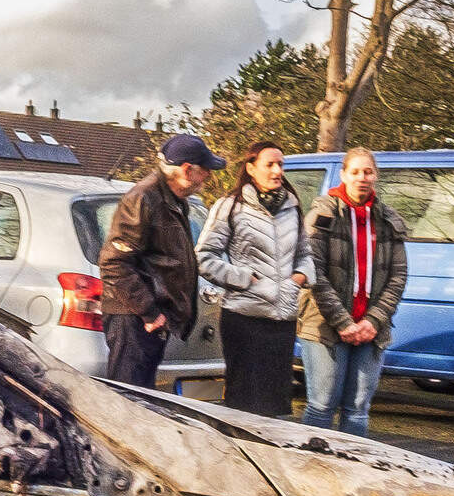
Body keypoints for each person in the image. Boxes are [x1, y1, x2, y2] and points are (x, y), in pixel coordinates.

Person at [302, 148, 407, 434]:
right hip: (325, 325)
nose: (363, 177)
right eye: (356, 172)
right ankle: (310, 471)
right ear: (344, 174)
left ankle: (353, 472)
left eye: (368, 172)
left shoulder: (388, 220)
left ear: (376, 176)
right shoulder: (323, 214)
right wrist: (343, 322)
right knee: (322, 405)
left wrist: (373, 321)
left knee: (358, 410)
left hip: (372, 330)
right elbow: (314, 273)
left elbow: (398, 276)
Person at [99, 133, 216, 388]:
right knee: (128, 400)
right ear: (187, 170)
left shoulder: (174, 200)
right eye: (206, 170)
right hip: (132, 319)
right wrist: (150, 313)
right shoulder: (143, 198)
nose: (209, 176)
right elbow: (114, 263)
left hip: (148, 319)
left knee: (144, 399)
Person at [201, 141, 307, 416]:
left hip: (282, 320)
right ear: (250, 168)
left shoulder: (293, 207)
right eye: (269, 164)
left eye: (281, 164)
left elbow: (305, 254)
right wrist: (244, 278)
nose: (277, 171)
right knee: (243, 403)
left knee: (276, 405)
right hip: (243, 318)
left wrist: (299, 277)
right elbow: (204, 257)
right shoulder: (230, 206)